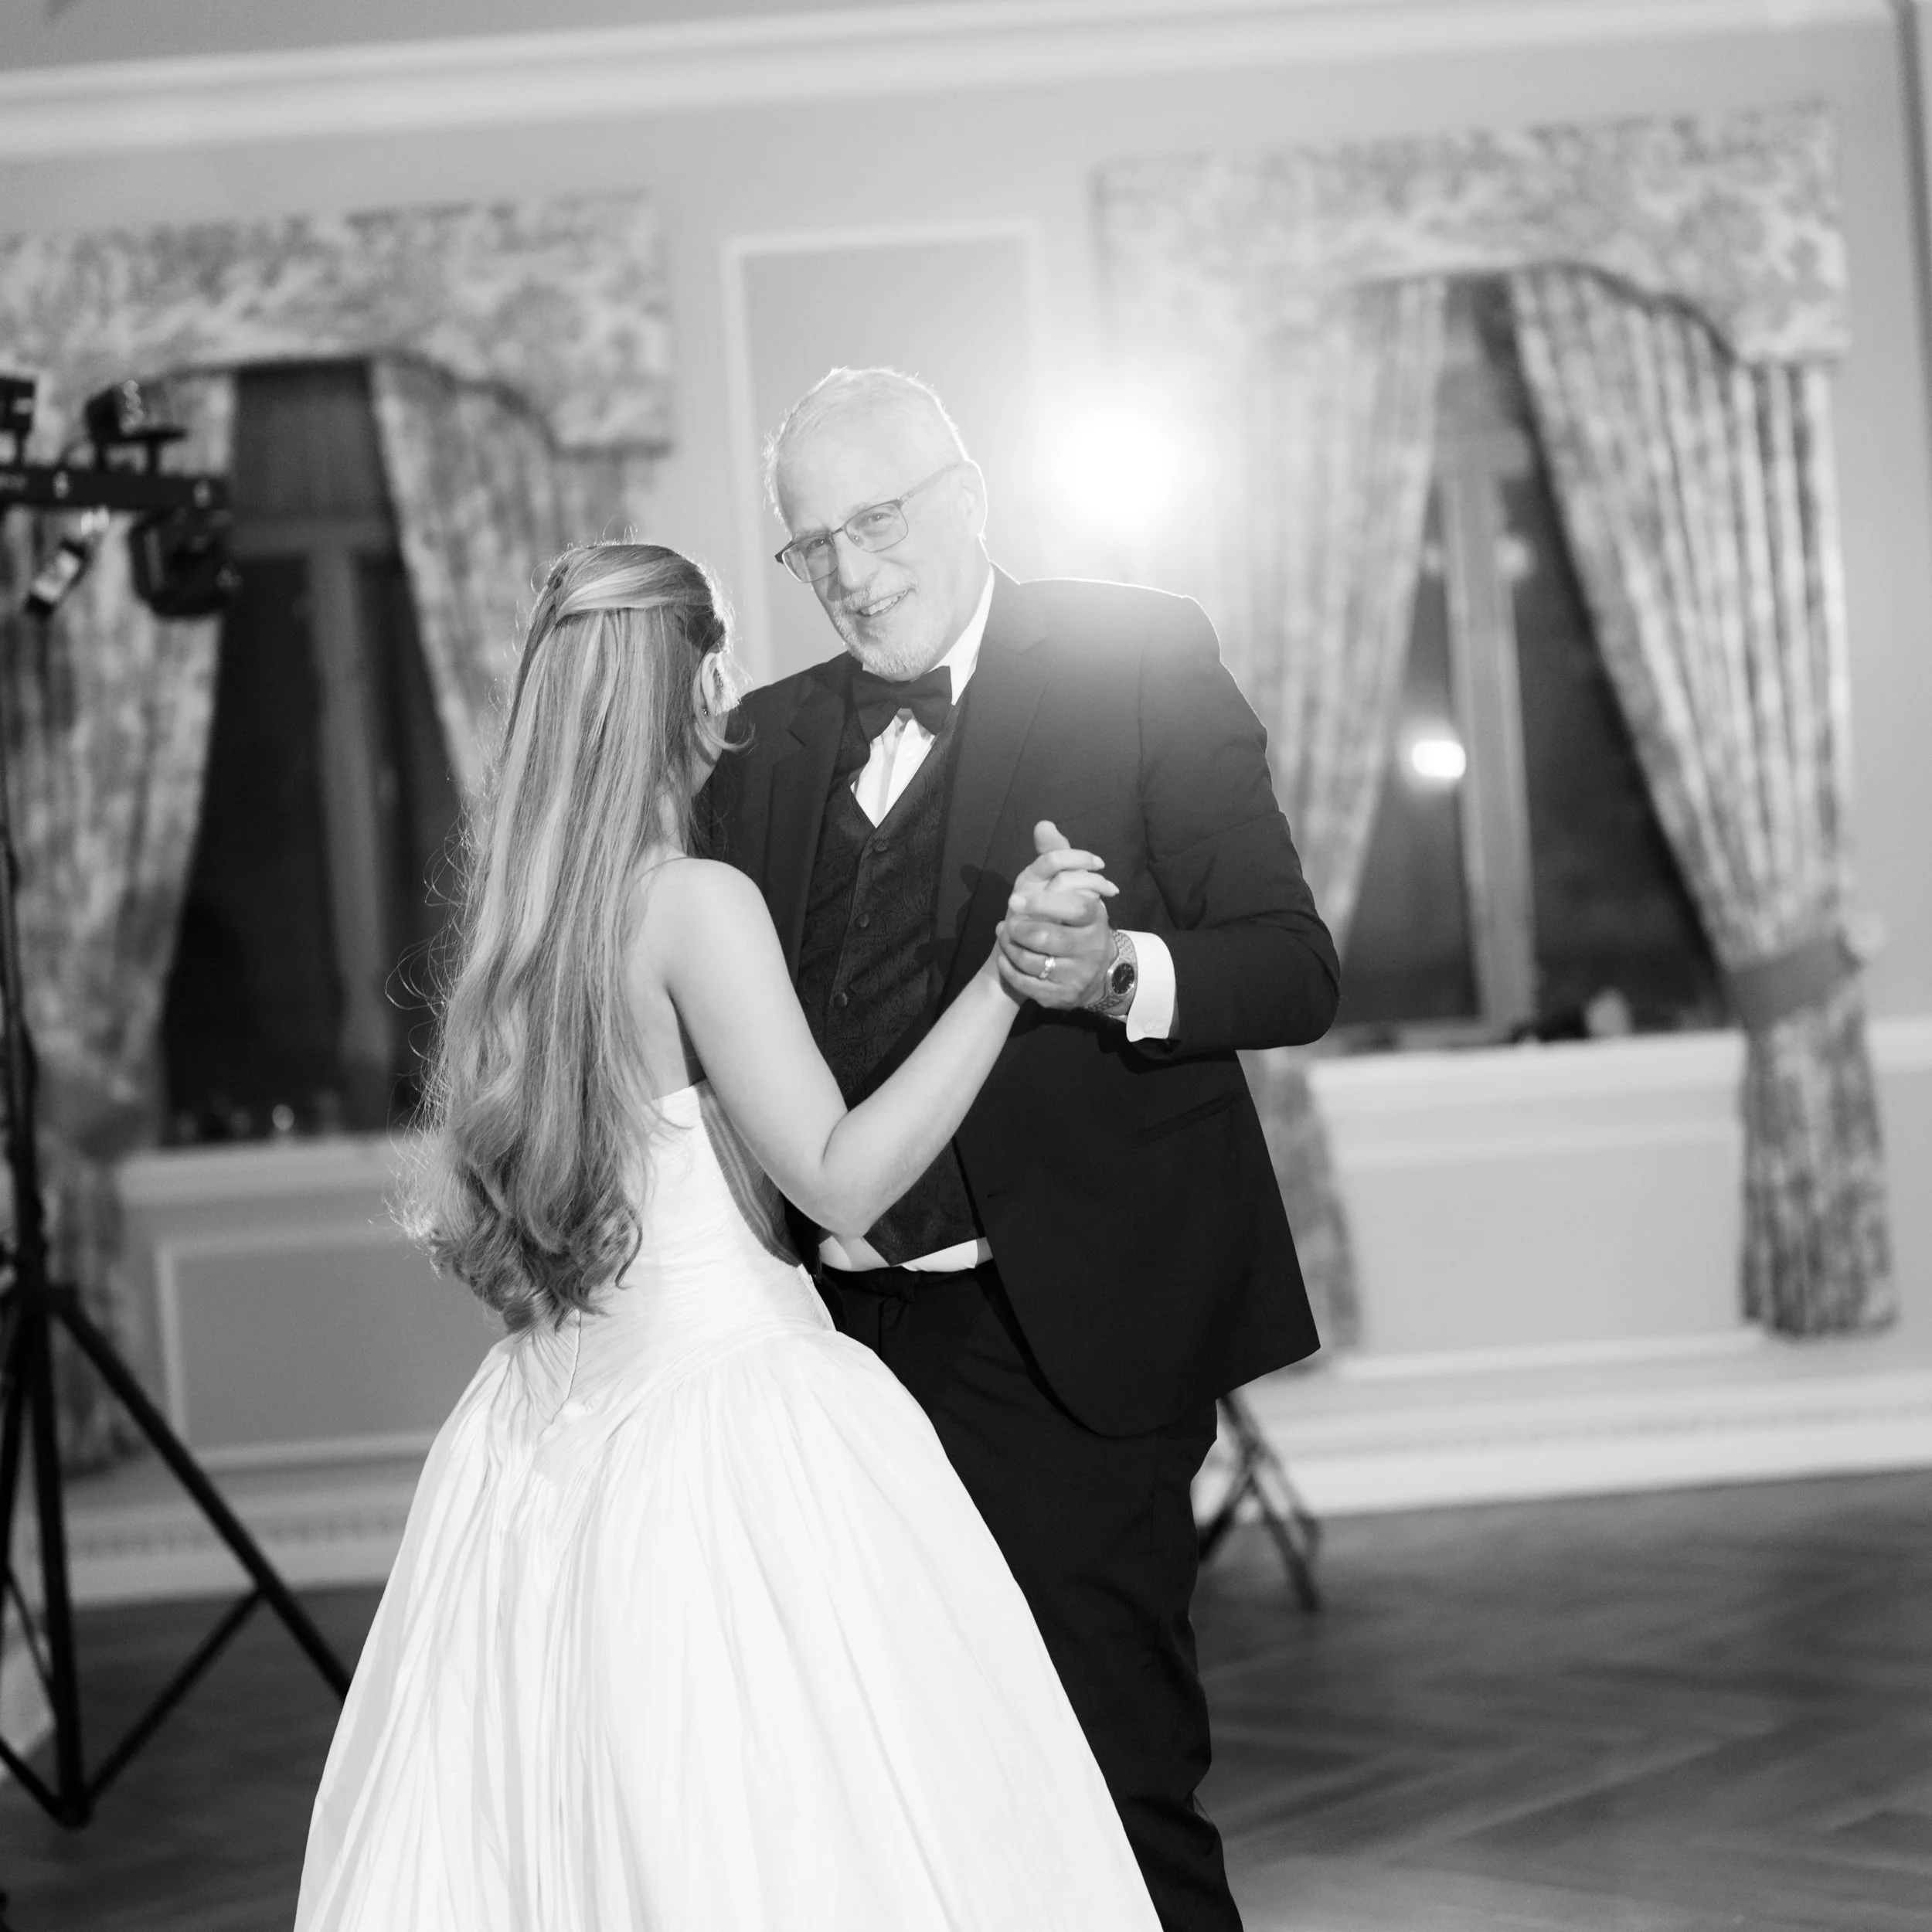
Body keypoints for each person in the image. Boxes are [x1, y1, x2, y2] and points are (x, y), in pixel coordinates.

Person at [293, 542, 1162, 1930]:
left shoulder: (523, 929)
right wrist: (1008, 978)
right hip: (726, 1438)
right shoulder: (695, 905)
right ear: (704, 676)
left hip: (532, 1448)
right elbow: (837, 1178)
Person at [708, 368, 1340, 1932]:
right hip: (833, 1348)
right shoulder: (767, 741)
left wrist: (1118, 963)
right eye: (811, 547)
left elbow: (1287, 964)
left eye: (877, 520)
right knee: (900, 1794)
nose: (849, 573)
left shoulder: (1137, 652)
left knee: (1109, 1784)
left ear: (966, 491)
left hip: (1068, 1335)